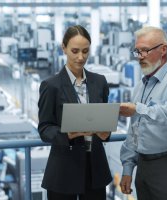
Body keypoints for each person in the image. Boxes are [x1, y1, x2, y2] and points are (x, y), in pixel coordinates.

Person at [119, 26, 167, 200]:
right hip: (144, 165)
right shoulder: (141, 85)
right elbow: (135, 130)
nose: (140, 57)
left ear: (163, 50)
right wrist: (128, 167)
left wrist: (139, 109)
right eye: (137, 52)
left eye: (145, 51)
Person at [38, 25, 112, 200]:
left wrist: (104, 132)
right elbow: (45, 128)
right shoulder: (51, 86)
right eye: (75, 51)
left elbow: (105, 123)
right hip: (64, 169)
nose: (81, 57)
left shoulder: (99, 82)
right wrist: (68, 133)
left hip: (95, 168)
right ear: (63, 48)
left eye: (85, 51)